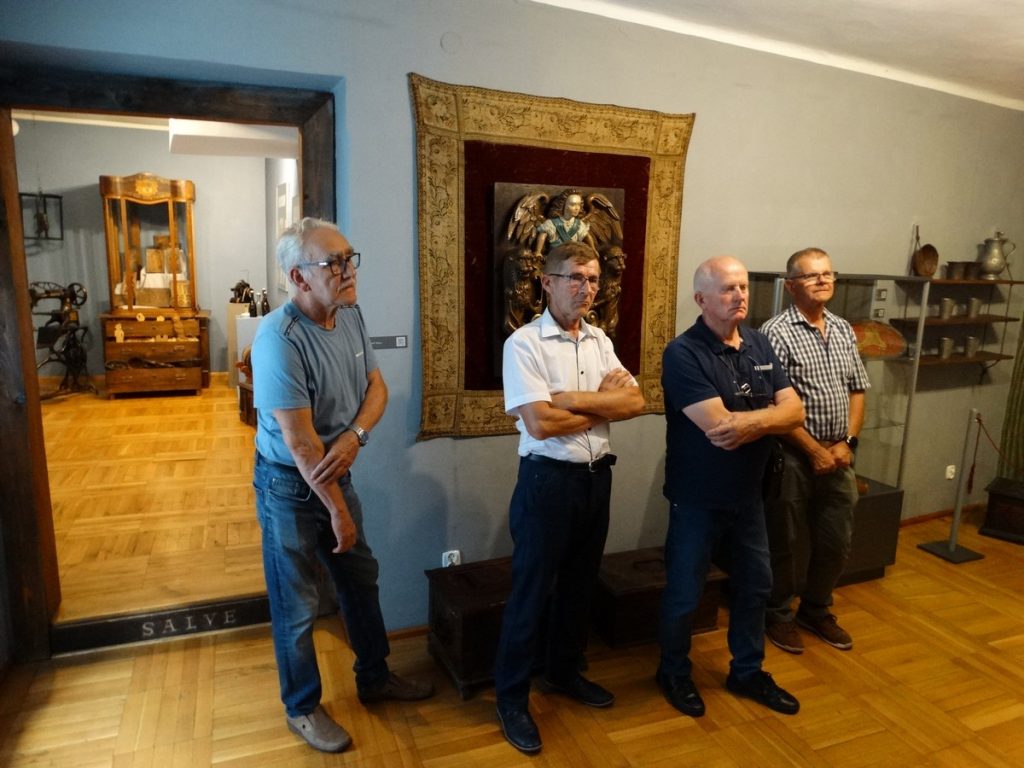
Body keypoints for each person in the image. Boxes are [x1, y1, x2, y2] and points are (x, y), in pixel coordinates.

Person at [251, 218, 434, 754]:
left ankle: (374, 677)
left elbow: (377, 387)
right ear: (298, 278)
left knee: (360, 579)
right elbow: (302, 444)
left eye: (349, 257)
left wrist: (354, 438)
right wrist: (338, 511)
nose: (348, 270)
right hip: (289, 484)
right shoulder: (277, 340)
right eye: (333, 262)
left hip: (334, 468)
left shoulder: (349, 312)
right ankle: (302, 708)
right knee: (298, 603)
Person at [494, 240, 645, 754]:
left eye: (594, 279)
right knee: (531, 592)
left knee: (580, 585)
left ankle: (563, 672)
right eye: (576, 277)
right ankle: (511, 699)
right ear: (547, 282)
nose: (587, 288)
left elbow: (637, 401)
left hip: (596, 479)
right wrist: (604, 404)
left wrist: (575, 401)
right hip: (548, 483)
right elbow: (539, 424)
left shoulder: (601, 341)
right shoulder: (524, 345)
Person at [658, 255, 805, 718]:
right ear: (701, 299)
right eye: (727, 288)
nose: (740, 295)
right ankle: (673, 671)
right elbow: (719, 428)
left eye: (742, 286)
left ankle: (747, 671)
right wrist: (769, 418)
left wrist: (750, 423)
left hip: (749, 495)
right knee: (685, 593)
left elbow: (796, 412)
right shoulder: (683, 353)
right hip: (697, 497)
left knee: (756, 586)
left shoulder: (759, 343)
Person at [760, 248, 870, 654]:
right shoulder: (775, 332)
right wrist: (812, 450)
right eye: (811, 276)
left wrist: (848, 443)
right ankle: (778, 614)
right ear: (791, 286)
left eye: (827, 273)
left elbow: (857, 389)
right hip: (791, 456)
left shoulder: (842, 329)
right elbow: (771, 403)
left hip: (839, 456)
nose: (822, 280)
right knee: (783, 542)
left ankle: (816, 609)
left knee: (836, 541)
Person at [533, 189, 595, 256]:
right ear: (563, 205)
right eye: (573, 204)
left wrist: (593, 249)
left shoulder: (579, 224)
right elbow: (543, 235)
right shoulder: (552, 223)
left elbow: (587, 236)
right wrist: (538, 251)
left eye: (579, 205)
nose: (577, 208)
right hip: (556, 255)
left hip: (573, 256)